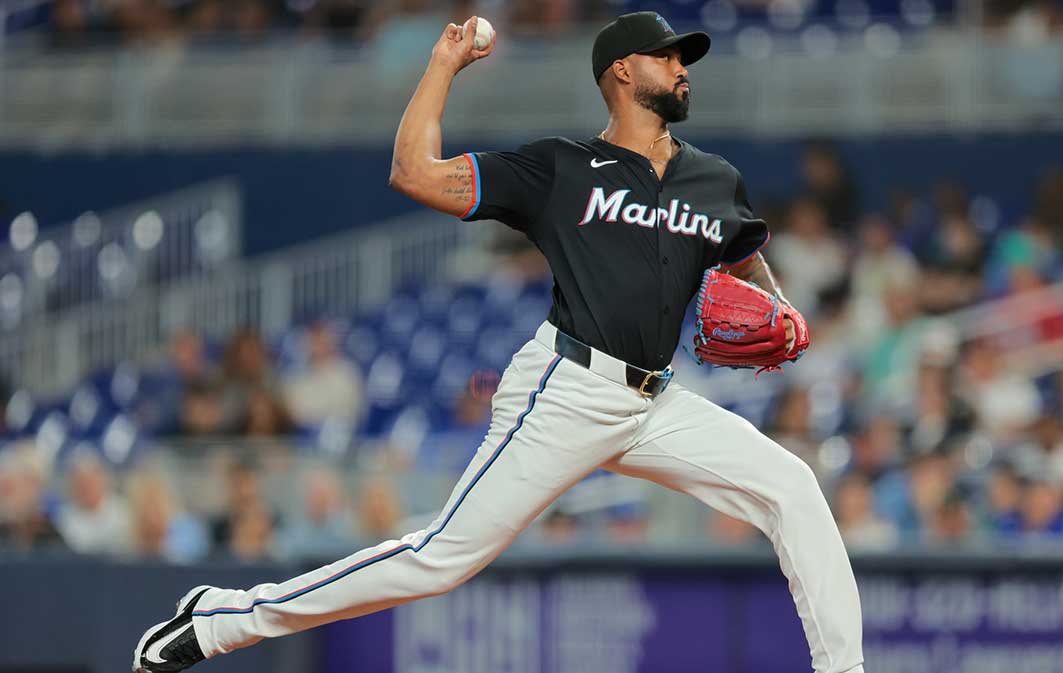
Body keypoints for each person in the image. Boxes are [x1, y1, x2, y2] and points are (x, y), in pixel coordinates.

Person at [132, 13, 864, 673]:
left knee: (792, 487)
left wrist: (775, 300)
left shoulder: (714, 178)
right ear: (620, 71)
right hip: (568, 387)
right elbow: (412, 172)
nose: (682, 68)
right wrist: (444, 65)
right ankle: (223, 617)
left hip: (657, 402)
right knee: (440, 559)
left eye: (685, 59)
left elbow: (741, 248)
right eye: (666, 57)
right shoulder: (561, 168)